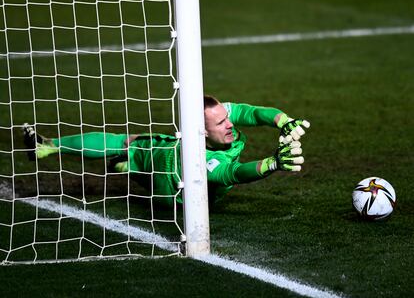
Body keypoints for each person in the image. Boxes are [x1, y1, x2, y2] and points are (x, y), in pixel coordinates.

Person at [23, 95, 310, 206]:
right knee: (132, 145)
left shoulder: (219, 121)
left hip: (168, 178)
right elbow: (233, 173)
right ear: (201, 132)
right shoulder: (203, 159)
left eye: (227, 117)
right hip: (170, 185)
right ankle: (48, 148)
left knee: (131, 149)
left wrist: (284, 121)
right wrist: (272, 163)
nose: (230, 124)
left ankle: (124, 164)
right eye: (221, 122)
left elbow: (253, 112)